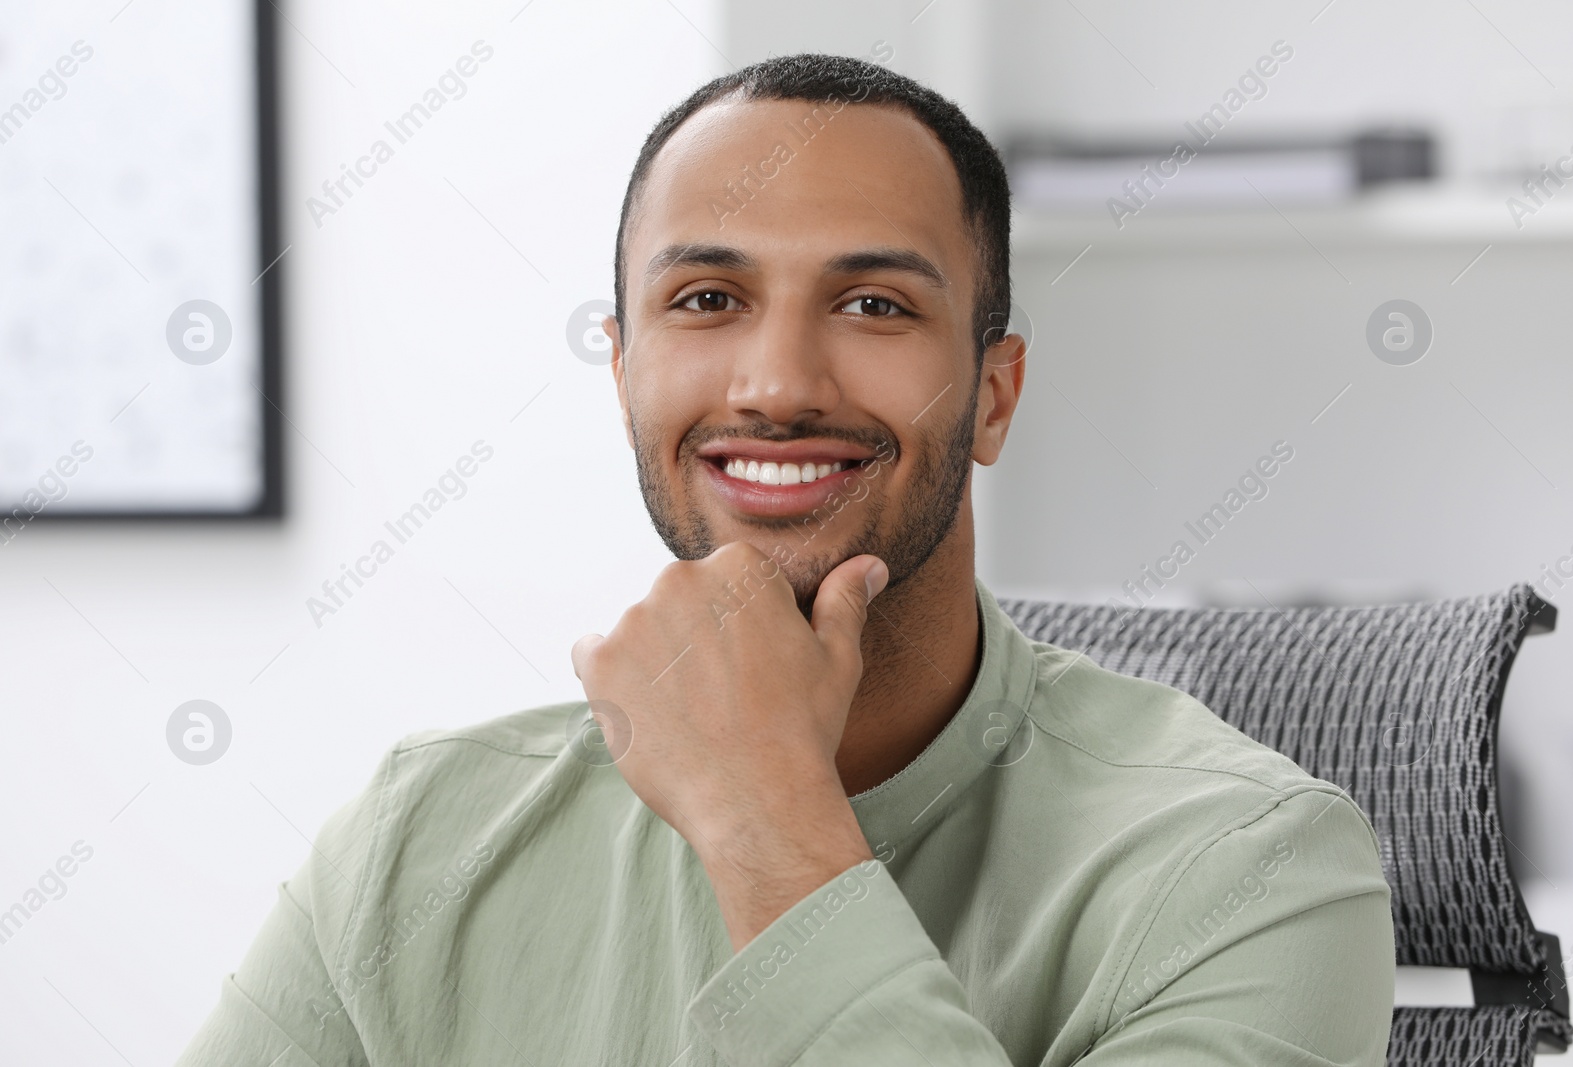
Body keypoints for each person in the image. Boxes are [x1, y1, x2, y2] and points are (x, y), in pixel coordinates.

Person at [179, 53, 1394, 1065]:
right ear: (622, 374)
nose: (775, 386)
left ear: (993, 396)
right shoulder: (415, 845)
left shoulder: (1255, 872)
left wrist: (768, 814)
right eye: (707, 299)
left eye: (874, 306)